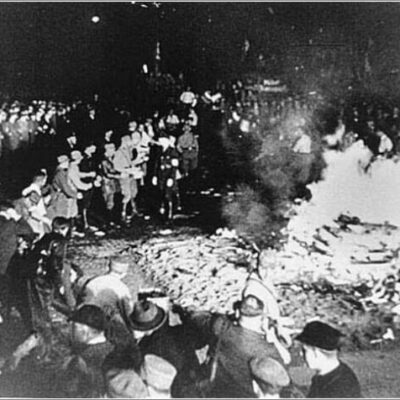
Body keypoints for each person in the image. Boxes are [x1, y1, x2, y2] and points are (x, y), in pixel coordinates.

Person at [177, 295, 286, 398]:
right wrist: (272, 338)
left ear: (237, 312)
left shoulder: (221, 327)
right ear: (262, 319)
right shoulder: (268, 350)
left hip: (214, 389)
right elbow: (284, 369)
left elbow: (198, 319)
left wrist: (190, 309)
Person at [129, 299, 202, 396]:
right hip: (196, 382)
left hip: (174, 391)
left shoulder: (144, 346)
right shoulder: (180, 331)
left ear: (146, 330)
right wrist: (184, 316)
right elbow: (200, 342)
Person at [77, 256, 136, 345]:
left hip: (81, 322)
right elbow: (128, 314)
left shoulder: (93, 281)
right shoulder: (122, 288)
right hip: (101, 330)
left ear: (108, 267)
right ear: (124, 273)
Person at [295, 321, 362, 398]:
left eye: (304, 350)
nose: (301, 354)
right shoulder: (334, 375)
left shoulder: (339, 388)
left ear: (316, 352)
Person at [60, 305, 114, 397]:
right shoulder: (114, 350)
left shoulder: (82, 360)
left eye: (74, 327)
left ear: (85, 331)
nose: (70, 331)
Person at [113, 133, 144, 221]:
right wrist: (126, 170)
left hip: (131, 176)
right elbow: (115, 166)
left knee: (133, 193)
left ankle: (134, 210)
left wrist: (138, 160)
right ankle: (123, 213)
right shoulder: (119, 152)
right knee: (127, 195)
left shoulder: (128, 151)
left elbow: (130, 163)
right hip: (125, 177)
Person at [153, 136, 181, 219]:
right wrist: (155, 176)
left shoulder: (173, 152)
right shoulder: (160, 151)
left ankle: (170, 214)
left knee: (168, 194)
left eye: (163, 141)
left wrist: (171, 178)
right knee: (161, 192)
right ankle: (163, 211)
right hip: (161, 176)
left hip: (169, 176)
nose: (161, 143)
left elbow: (174, 167)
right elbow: (157, 164)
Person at [48, 155, 79, 222]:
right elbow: (65, 188)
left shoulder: (60, 171)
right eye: (67, 162)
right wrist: (76, 195)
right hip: (60, 199)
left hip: (60, 197)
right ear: (63, 163)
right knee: (62, 216)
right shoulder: (60, 174)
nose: (68, 163)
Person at [99, 143, 120, 225]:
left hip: (112, 183)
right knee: (109, 202)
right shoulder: (104, 161)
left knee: (112, 202)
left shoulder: (110, 159)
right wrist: (118, 175)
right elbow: (107, 174)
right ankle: (108, 221)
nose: (114, 151)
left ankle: (112, 220)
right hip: (107, 184)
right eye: (113, 149)